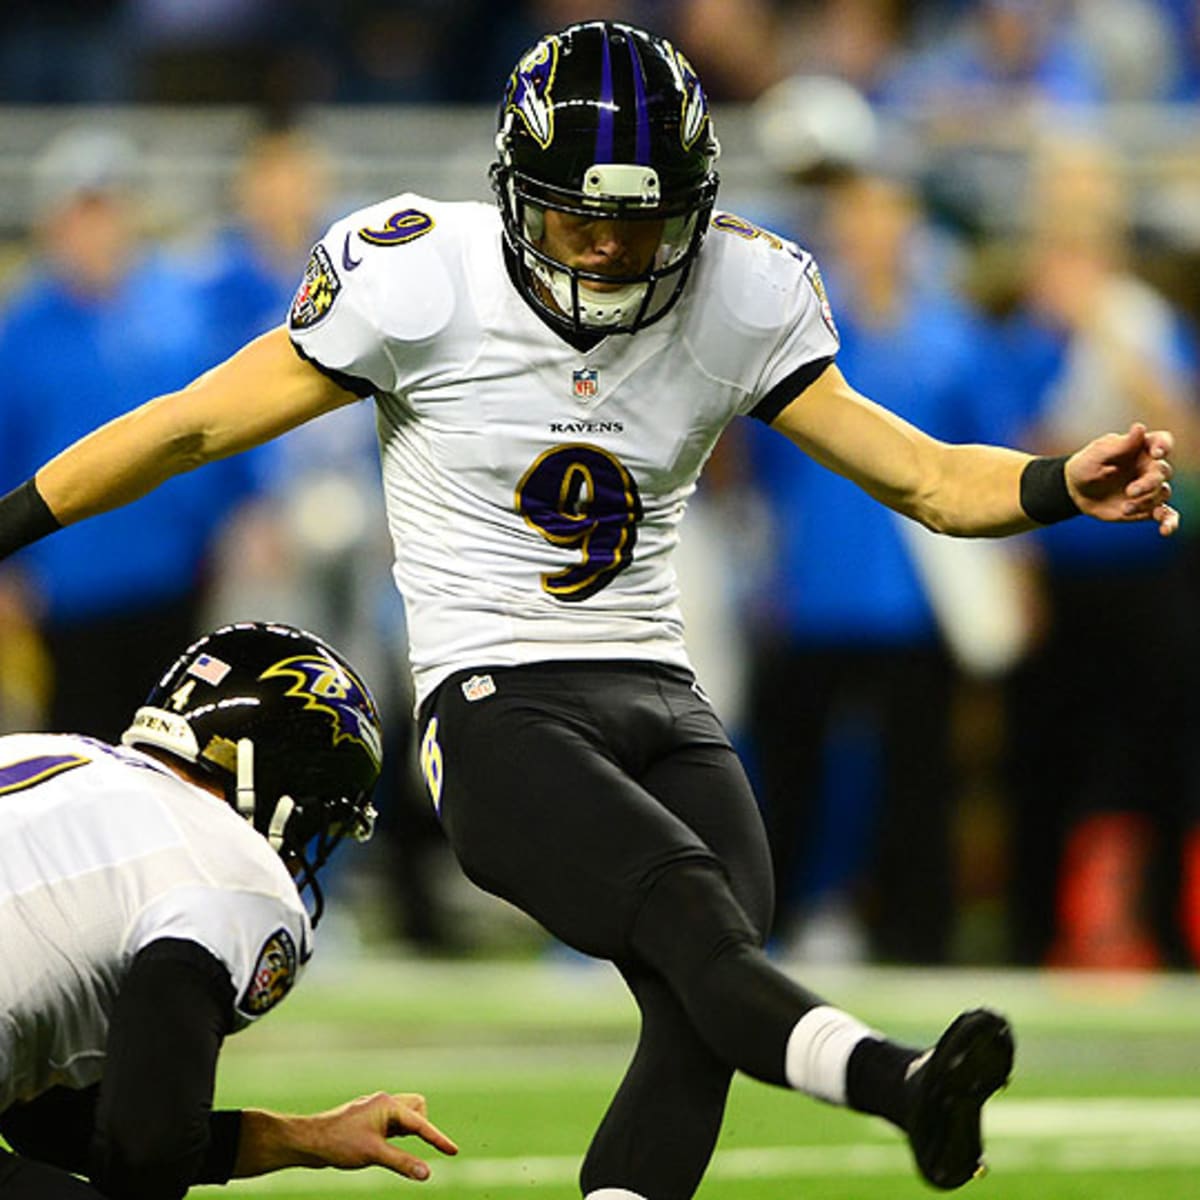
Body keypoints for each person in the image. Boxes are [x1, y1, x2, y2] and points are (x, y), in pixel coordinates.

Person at [0, 20, 1179, 1199]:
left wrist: (1057, 486)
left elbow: (925, 477)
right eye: (580, 216)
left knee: (698, 1012)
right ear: (517, 191)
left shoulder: (741, 289)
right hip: (497, 699)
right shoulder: (419, 277)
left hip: (660, 691)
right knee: (695, 926)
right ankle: (901, 1084)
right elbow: (188, 425)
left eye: (645, 220)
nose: (613, 249)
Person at [0, 620, 458, 1198]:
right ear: (279, 787)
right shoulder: (228, 867)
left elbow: (45, 1120)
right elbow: (143, 1154)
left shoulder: (48, 751)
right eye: (319, 820)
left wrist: (307, 1137)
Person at [0, 126, 264, 742]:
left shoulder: (183, 306)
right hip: (74, 589)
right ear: (54, 223)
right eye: (81, 214)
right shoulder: (22, 331)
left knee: (180, 753)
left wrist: (250, 504)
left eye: (107, 211)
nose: (95, 231)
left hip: (179, 571)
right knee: (81, 750)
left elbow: (227, 413)